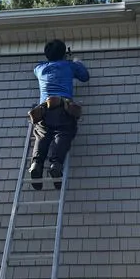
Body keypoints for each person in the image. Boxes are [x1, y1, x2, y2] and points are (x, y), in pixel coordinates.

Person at [28, 39, 89, 189]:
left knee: (42, 135)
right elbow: (85, 76)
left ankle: (37, 163)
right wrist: (76, 62)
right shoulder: (69, 66)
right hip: (63, 106)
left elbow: (47, 67)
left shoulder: (39, 68)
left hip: (44, 109)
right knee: (64, 133)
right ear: (63, 54)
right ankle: (55, 164)